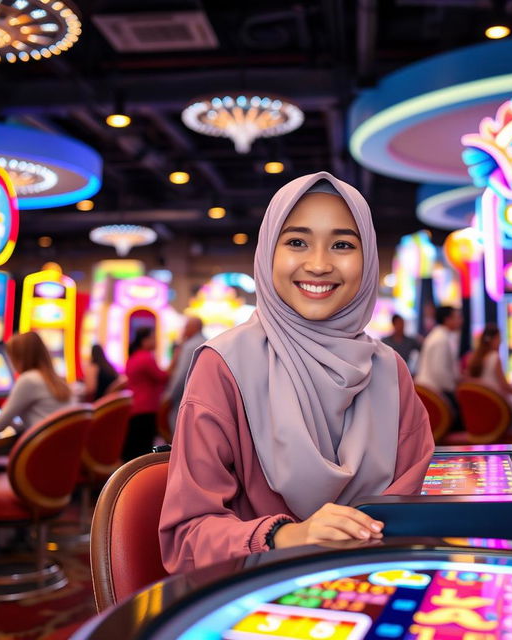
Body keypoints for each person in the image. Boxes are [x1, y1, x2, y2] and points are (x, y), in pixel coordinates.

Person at [159, 172, 434, 572]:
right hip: (259, 598)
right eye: (296, 242)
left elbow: (414, 507)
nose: (319, 264)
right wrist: (289, 536)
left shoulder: (390, 370)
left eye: (342, 244)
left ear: (369, 258)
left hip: (374, 581)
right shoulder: (223, 366)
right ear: (269, 252)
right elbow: (187, 537)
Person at [0, 332, 72, 436]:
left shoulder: (28, 379)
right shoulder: (57, 379)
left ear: (19, 357)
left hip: (43, 447)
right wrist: (13, 424)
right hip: (61, 445)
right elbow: (41, 419)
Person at [123, 327, 169, 460]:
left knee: (136, 446)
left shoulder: (134, 356)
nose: (156, 341)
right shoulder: (145, 357)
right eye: (152, 338)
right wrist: (176, 361)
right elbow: (162, 377)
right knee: (143, 450)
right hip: (146, 406)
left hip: (136, 406)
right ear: (144, 341)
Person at [164, 316, 205, 433]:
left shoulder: (190, 346)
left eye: (186, 327)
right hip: (200, 397)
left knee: (180, 432)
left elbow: (182, 375)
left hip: (185, 396)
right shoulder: (206, 341)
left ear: (194, 327)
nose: (184, 330)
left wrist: (170, 396)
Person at [415, 305, 463, 398]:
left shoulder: (440, 335)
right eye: (457, 317)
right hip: (432, 392)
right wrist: (454, 387)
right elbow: (439, 371)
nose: (461, 321)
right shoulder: (441, 339)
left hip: (431, 390)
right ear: (447, 319)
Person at [466, 324, 512, 398]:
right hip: (494, 399)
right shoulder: (494, 357)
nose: (501, 341)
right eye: (499, 338)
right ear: (494, 339)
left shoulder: (473, 356)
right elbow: (504, 385)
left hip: (481, 399)